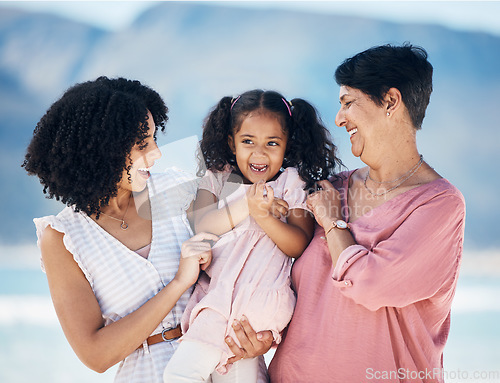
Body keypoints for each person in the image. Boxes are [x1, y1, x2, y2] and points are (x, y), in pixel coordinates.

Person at [22, 77, 269, 383]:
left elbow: (250, 259)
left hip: (227, 363)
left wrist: (262, 333)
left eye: (154, 139)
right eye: (142, 144)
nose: (156, 153)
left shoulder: (179, 188)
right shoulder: (62, 237)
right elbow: (96, 355)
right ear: (104, 147)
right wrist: (179, 283)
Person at [268, 44, 466, 382]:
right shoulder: (329, 188)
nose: (338, 118)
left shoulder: (439, 206)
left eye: (348, 103)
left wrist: (332, 223)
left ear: (390, 101)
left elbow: (372, 284)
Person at [163, 89, 343, 382]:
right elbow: (203, 225)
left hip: (259, 305)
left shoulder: (292, 183)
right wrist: (249, 204)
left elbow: (297, 243)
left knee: (181, 373)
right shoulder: (218, 179)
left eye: (272, 143)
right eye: (248, 141)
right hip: (217, 300)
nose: (259, 153)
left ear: (287, 146)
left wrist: (263, 216)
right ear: (231, 143)